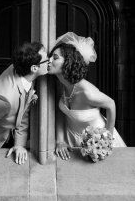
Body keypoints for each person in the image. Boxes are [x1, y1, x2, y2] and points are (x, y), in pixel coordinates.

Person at [48, 32, 126, 161]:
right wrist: (60, 140)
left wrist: (107, 136)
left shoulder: (86, 92)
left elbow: (111, 104)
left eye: (55, 58)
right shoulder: (61, 84)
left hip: (97, 142)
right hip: (71, 140)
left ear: (68, 62)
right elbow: (62, 112)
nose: (49, 60)